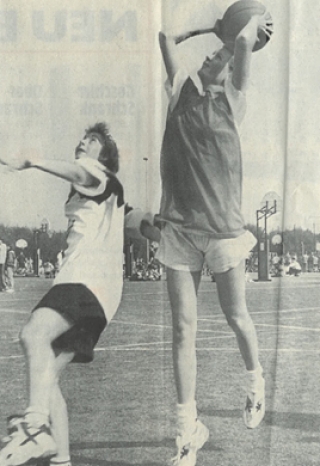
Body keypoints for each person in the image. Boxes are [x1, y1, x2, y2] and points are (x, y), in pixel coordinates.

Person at [0, 122, 159, 466]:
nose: (83, 142)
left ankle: (35, 427)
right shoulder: (109, 194)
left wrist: (34, 162)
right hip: (102, 296)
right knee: (47, 377)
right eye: (84, 138)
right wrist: (154, 226)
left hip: (86, 281)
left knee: (31, 335)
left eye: (92, 141)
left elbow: (82, 173)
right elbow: (134, 220)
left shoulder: (97, 174)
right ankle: (63, 458)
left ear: (104, 157)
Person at [156, 11, 272, 466]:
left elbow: (243, 45)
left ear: (227, 71)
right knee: (183, 330)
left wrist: (240, 32)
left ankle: (255, 381)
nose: (213, 58)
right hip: (180, 230)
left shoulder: (233, 99)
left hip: (223, 231)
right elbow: (166, 35)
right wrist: (212, 27)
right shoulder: (180, 89)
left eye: (219, 57)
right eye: (212, 54)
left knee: (236, 315)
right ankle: (187, 431)